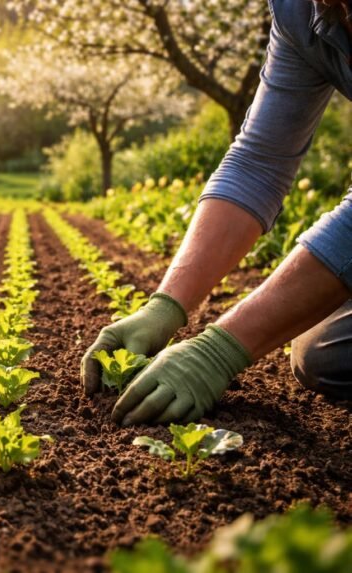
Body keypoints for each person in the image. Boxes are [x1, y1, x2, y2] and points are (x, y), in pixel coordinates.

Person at [82, 0, 352, 426]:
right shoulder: (300, 11)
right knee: (328, 354)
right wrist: (165, 307)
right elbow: (259, 162)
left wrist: (220, 349)